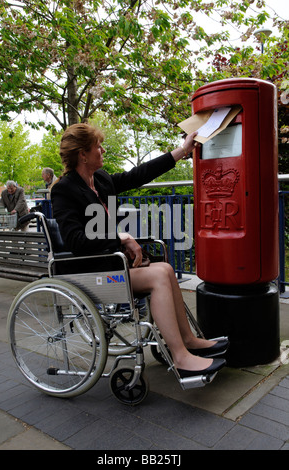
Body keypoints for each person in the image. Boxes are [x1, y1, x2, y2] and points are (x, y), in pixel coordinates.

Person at [51, 123, 228, 379]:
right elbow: (75, 241)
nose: (102, 150)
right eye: (97, 146)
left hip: (111, 263)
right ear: (82, 154)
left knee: (166, 269)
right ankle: (180, 358)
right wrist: (120, 237)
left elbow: (139, 174)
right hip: (90, 270)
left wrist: (182, 150)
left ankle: (188, 340)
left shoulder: (99, 180)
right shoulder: (64, 189)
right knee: (158, 277)